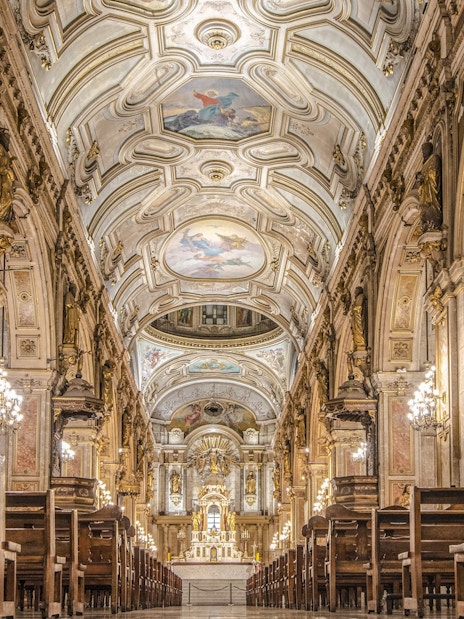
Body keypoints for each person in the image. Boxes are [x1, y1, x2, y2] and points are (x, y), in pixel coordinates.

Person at [416, 139, 442, 232]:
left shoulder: (434, 158)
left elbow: (434, 174)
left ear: (429, 149)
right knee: (423, 210)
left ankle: (433, 222)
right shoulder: (424, 165)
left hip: (431, 194)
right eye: (423, 151)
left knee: (430, 209)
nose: (423, 153)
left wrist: (424, 177)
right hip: (425, 195)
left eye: (425, 150)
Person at [0, 135, 14, 222]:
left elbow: (12, 178)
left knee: (8, 198)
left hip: (5, 182)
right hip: (4, 180)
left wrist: (7, 171)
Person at [351, 286, 367, 351]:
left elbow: (358, 308)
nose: (354, 293)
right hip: (356, 320)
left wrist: (354, 309)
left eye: (355, 291)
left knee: (359, 330)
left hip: (358, 318)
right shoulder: (357, 299)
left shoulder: (360, 297)